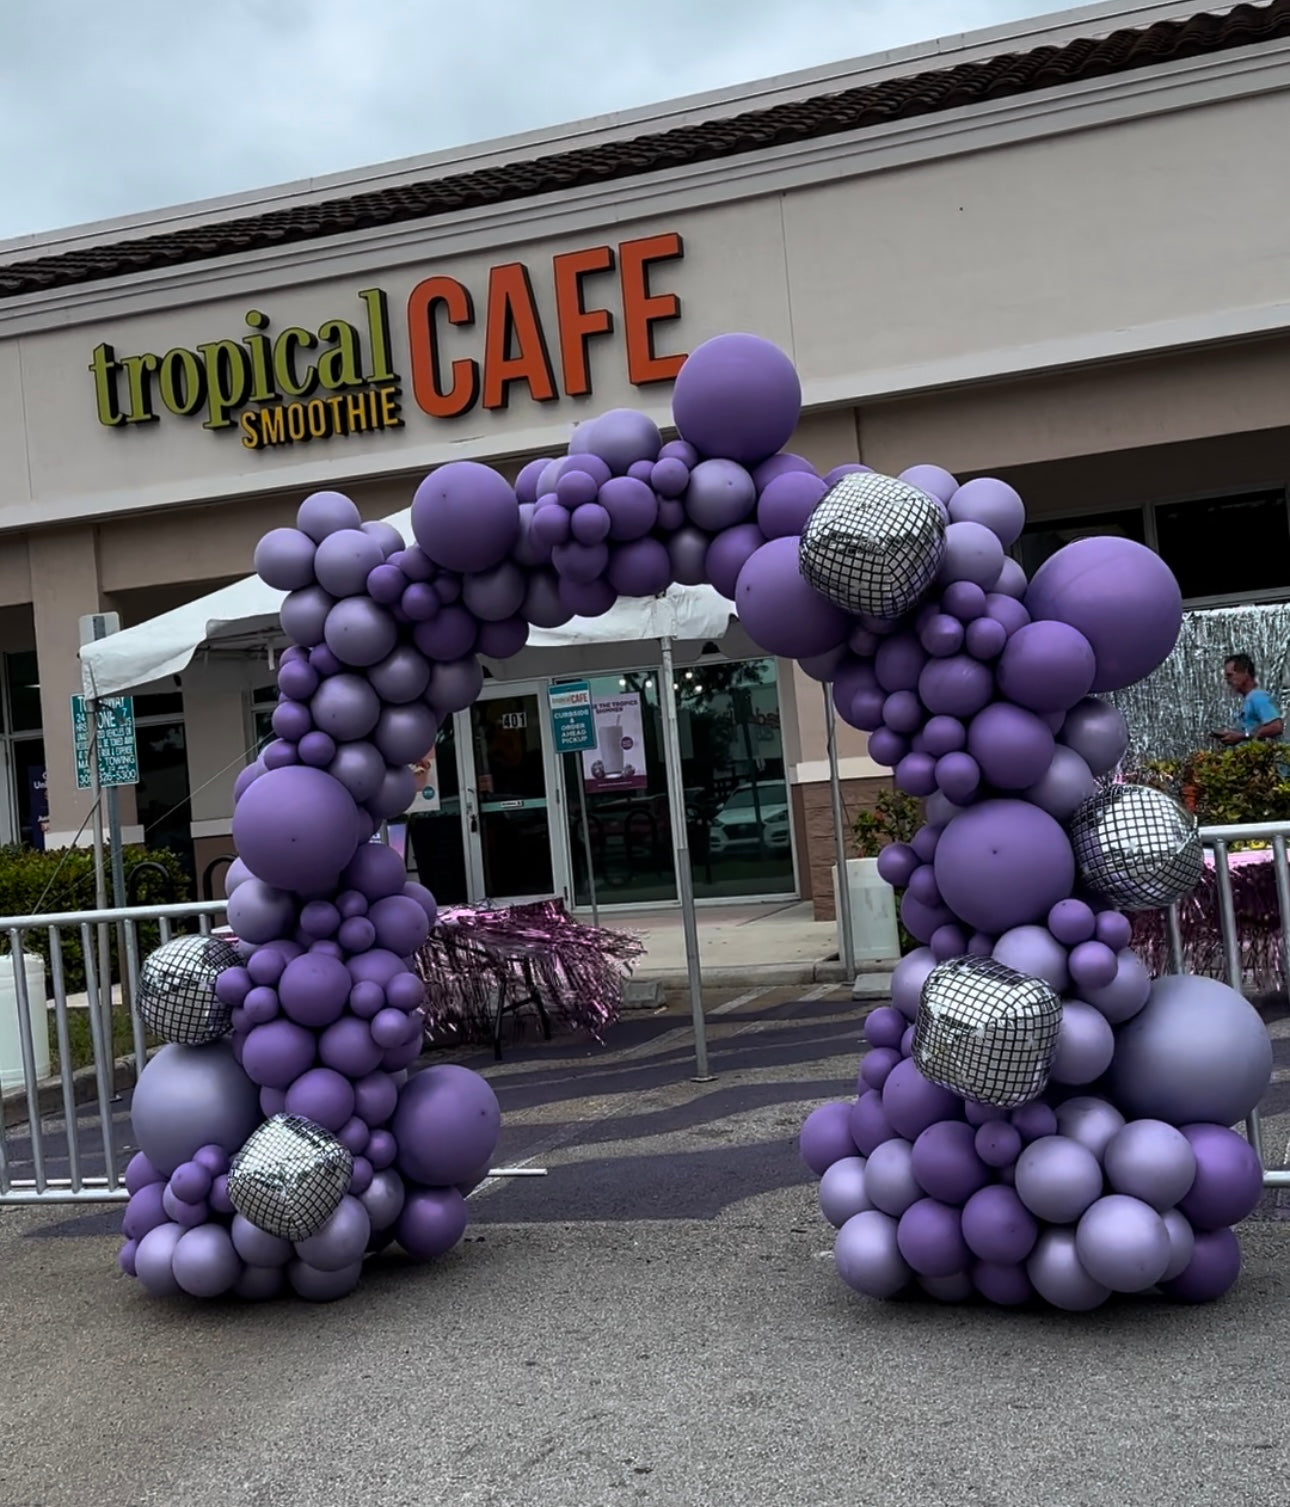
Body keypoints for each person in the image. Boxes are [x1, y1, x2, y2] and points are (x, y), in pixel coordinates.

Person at [1212, 654, 1284, 746]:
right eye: (1226, 677)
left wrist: (1242, 736)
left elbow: (1276, 727)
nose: (1228, 681)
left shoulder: (1258, 697)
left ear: (1245, 672)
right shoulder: (1249, 699)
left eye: (1230, 675)